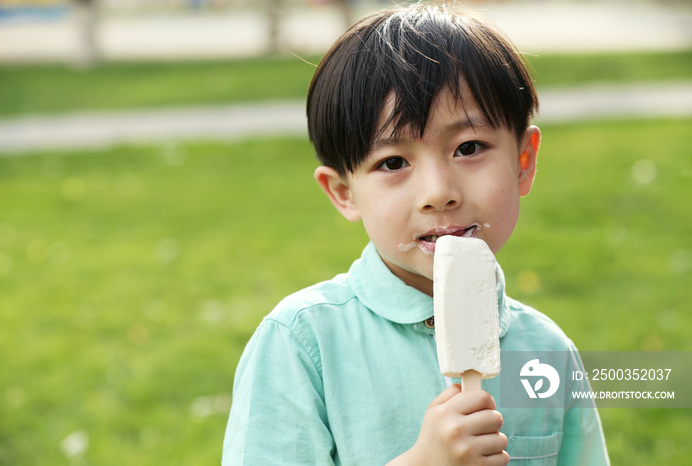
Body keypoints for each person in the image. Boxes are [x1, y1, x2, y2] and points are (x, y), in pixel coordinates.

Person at [222, 4, 609, 465]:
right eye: (393, 163)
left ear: (523, 162)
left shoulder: (547, 350)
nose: (438, 193)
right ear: (344, 193)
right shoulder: (302, 344)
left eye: (468, 148)